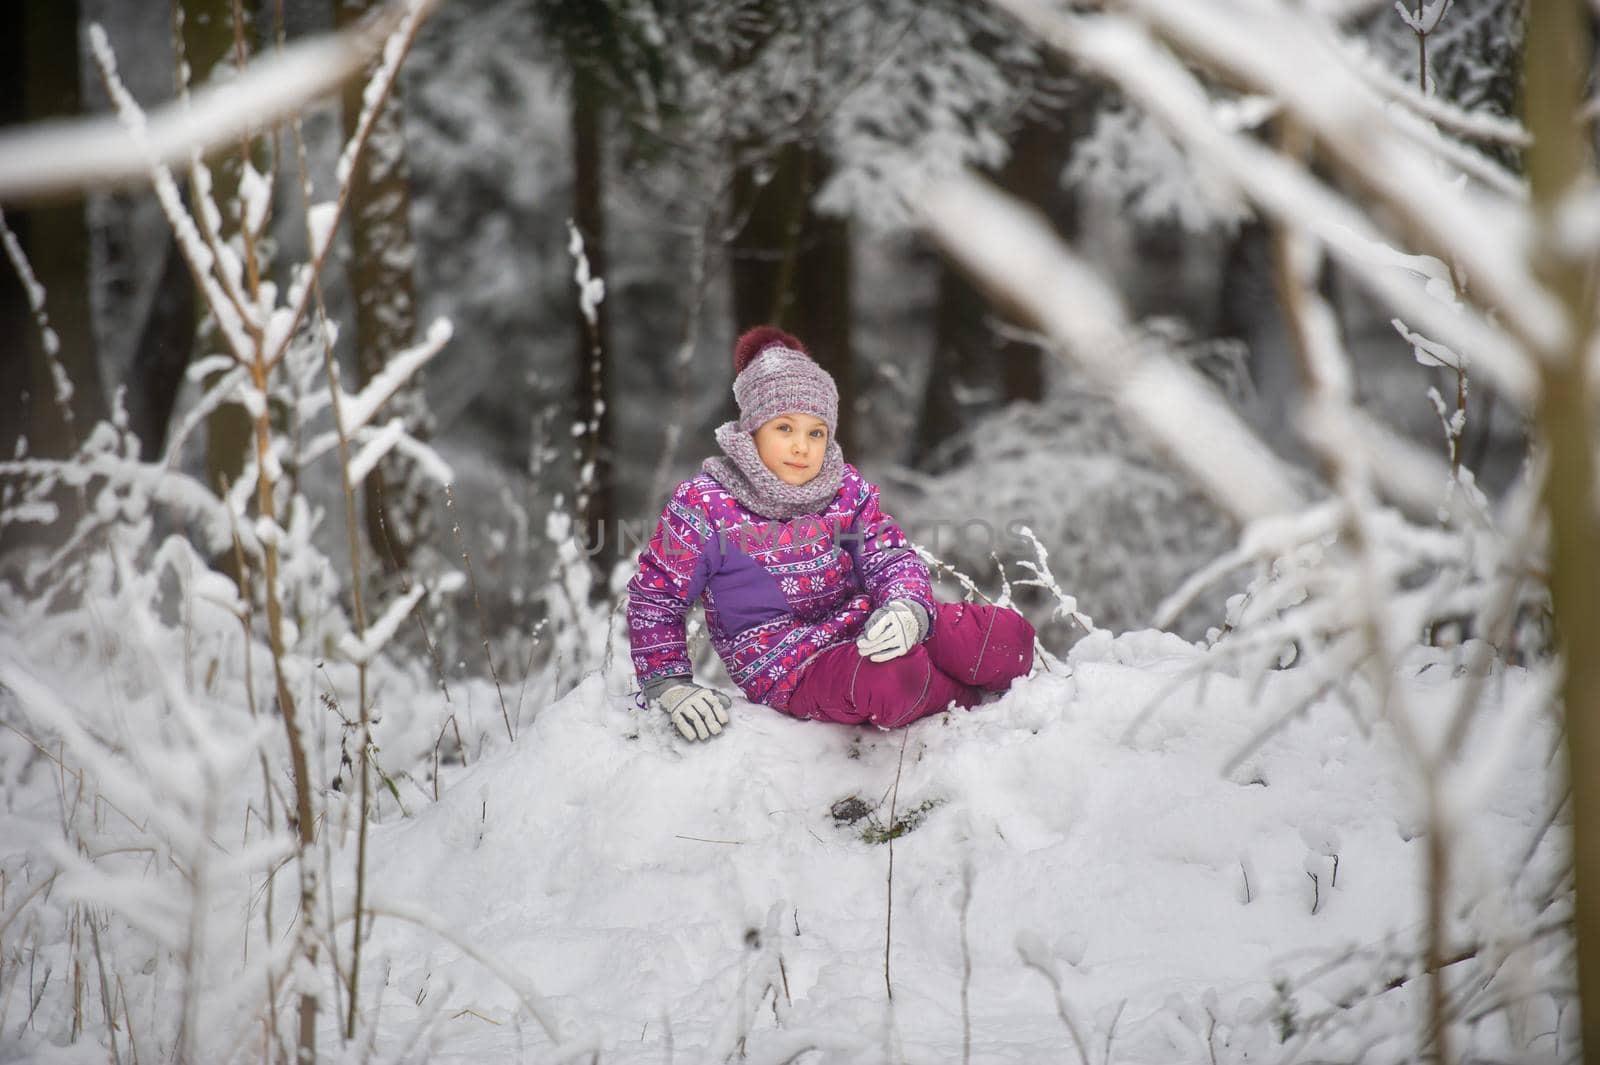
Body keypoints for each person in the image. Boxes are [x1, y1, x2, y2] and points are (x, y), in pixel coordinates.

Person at [626, 326, 1036, 741]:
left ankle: (943, 669)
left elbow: (888, 555)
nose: (802, 447)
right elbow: (656, 596)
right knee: (897, 681)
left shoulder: (843, 489)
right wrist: (669, 683)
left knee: (1008, 638)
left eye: (815, 432)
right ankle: (967, 701)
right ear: (751, 430)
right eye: (784, 428)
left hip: (868, 623)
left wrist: (906, 609)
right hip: (787, 664)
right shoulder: (706, 504)